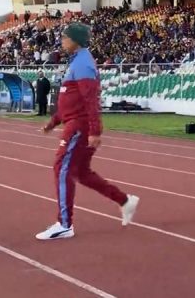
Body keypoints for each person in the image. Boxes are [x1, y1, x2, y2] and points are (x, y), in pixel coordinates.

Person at [36, 22, 140, 241]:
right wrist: (53, 122)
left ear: (75, 40)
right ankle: (124, 200)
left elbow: (89, 100)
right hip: (74, 123)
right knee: (80, 172)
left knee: (61, 168)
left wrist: (94, 130)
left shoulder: (83, 64)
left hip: (79, 127)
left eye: (65, 37)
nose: (62, 41)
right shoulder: (76, 62)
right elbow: (69, 102)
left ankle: (65, 224)